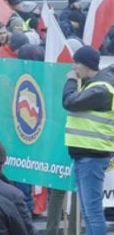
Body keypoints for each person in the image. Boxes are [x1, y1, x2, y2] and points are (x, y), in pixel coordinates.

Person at [63, 45, 114, 234]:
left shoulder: (101, 88)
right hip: (86, 153)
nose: (74, 67)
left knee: (92, 212)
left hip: (92, 155)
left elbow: (69, 102)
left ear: (85, 64)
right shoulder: (96, 85)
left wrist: (70, 81)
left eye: (76, 63)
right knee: (88, 211)